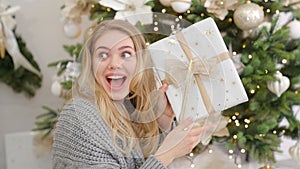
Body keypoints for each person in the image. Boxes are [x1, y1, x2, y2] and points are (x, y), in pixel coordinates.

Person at [52, 19, 204, 169]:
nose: (115, 64)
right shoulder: (78, 117)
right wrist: (167, 153)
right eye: (103, 55)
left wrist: (162, 124)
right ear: (91, 64)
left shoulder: (128, 107)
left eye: (125, 54)